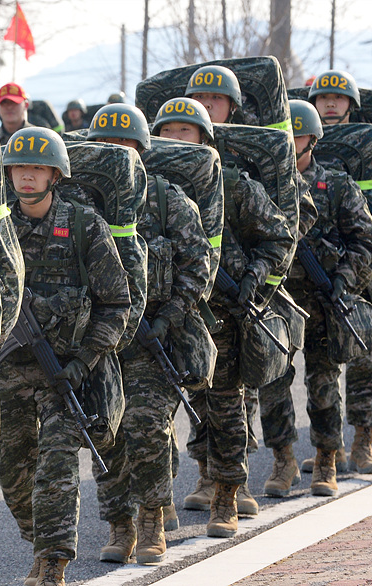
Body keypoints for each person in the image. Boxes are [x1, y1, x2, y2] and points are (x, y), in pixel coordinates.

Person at [0, 126, 131, 586]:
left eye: (37, 167)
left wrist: (86, 360)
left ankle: (53, 563)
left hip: (68, 372)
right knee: (14, 473)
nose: (26, 176)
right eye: (19, 168)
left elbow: (116, 302)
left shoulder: (83, 225)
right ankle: (39, 543)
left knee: (57, 464)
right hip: (10, 372)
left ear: (55, 173)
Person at [163, 88, 294, 536]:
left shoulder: (234, 184)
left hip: (222, 315)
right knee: (167, 410)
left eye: (187, 130)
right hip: (168, 315)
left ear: (206, 138)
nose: (177, 139)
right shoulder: (150, 189)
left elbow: (279, 238)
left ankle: (227, 494)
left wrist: (256, 277)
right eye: (167, 131)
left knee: (225, 405)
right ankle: (166, 496)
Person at [89, 102, 211, 563]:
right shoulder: (81, 205)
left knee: (147, 428)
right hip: (100, 341)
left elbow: (196, 268)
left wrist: (168, 317)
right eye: (106, 146)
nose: (116, 153)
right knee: (105, 432)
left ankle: (152, 519)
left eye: (124, 145)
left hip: (150, 339)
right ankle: (120, 525)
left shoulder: (166, 200)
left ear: (142, 150)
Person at [253, 100, 372, 499]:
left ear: (312, 139)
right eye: (283, 135)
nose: (290, 141)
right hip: (280, 298)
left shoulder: (336, 186)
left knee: (322, 382)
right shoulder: (267, 187)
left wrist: (344, 280)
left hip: (323, 299)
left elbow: (363, 241)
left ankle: (325, 457)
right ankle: (283, 459)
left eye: (297, 134)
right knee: (272, 383)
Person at [307, 70, 372, 477]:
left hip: (362, 254)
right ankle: (328, 446)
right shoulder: (299, 141)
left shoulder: (367, 141)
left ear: (351, 103)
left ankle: (364, 435)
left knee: (363, 353)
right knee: (322, 360)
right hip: (317, 264)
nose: (331, 103)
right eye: (323, 97)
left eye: (338, 97)